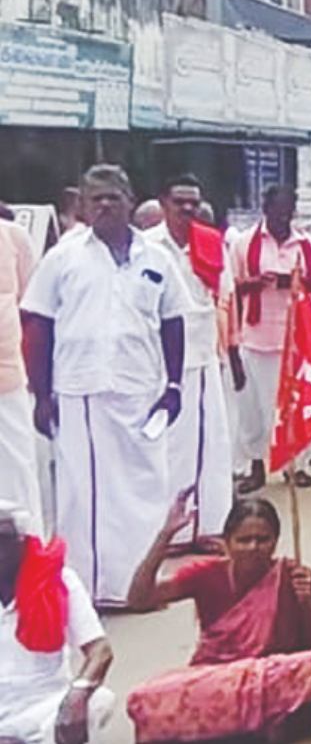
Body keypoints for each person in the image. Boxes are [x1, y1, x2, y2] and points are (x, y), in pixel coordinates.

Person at [19, 165, 187, 606]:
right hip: (81, 390)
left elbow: (173, 322)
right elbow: (37, 323)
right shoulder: (64, 257)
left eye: (113, 197)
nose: (106, 206)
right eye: (96, 200)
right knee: (84, 493)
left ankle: (139, 585)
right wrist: (41, 392)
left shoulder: (157, 258)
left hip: (142, 389)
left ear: (130, 200)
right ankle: (87, 590)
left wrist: (174, 386)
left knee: (146, 486)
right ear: (83, 207)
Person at [125, 496, 311, 742]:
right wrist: (165, 536)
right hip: (217, 679)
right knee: (145, 696)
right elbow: (139, 599)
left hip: (267, 680)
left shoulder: (296, 576)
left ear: (275, 542)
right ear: (227, 543)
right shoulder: (206, 573)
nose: (253, 547)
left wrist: (305, 600)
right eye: (244, 540)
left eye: (262, 539)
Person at [143, 174, 234, 549]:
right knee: (166, 445)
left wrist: (229, 352)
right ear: (163, 202)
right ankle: (167, 531)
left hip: (201, 355)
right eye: (179, 201)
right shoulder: (146, 246)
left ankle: (206, 527)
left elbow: (224, 297)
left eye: (193, 202)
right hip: (156, 360)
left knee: (210, 443)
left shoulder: (211, 243)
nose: (187, 208)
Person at [229, 183, 311, 493]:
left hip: (295, 339)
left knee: (292, 408)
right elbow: (230, 288)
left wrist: (294, 281)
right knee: (254, 409)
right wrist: (255, 283)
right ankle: (256, 467)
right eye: (278, 210)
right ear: (266, 209)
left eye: (288, 211)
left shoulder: (304, 244)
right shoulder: (244, 243)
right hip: (256, 336)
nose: (283, 217)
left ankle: (296, 466)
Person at [0, 501, 115, 744]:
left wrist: (78, 693)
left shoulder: (58, 580)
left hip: (46, 703)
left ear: (21, 541)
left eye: (2, 539)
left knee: (97, 701)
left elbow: (100, 650)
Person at [0, 215, 38, 519]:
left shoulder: (13, 237)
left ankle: (27, 558)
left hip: (7, 379)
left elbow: (31, 306)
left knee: (16, 477)